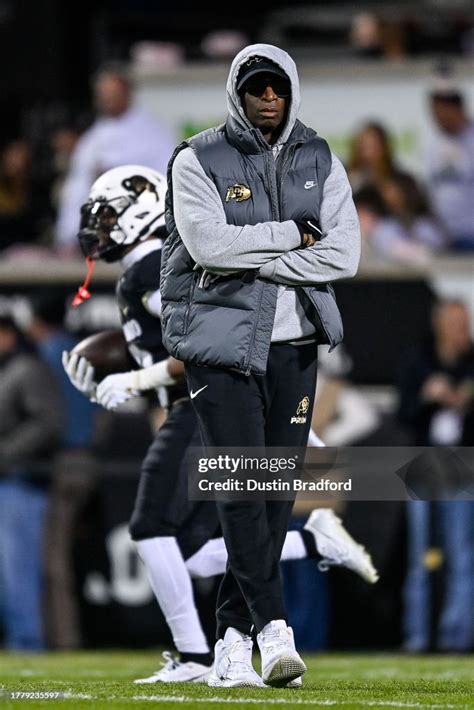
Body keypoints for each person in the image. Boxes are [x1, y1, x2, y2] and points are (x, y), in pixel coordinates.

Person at [63, 165, 375, 684]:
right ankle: (312, 543)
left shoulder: (152, 268)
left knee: (150, 526)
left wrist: (132, 382)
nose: (100, 229)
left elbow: (201, 339)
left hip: (203, 407)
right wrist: (114, 385)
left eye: (109, 215)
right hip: (200, 405)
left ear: (141, 210)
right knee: (193, 548)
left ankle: (196, 655)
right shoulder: (146, 268)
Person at [160, 43, 360, 688]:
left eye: (276, 87)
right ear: (237, 93)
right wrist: (289, 234)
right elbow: (206, 246)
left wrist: (256, 256)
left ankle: (229, 641)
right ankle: (273, 630)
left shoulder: (321, 158)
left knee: (274, 494)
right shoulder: (197, 157)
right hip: (221, 346)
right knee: (243, 485)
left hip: (295, 345)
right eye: (256, 88)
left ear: (291, 90)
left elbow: (345, 256)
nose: (267, 98)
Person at [398, 299, 474, 651]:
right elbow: (404, 413)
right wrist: (427, 396)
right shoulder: (418, 359)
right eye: (456, 323)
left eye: (465, 322)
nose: (462, 330)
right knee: (419, 557)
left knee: (460, 554)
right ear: (440, 325)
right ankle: (417, 636)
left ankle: (455, 637)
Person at [28, 292, 98, 649]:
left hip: (58, 462)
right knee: (64, 554)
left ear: (36, 322)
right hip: (90, 459)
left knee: (51, 558)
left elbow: (45, 419)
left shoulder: (43, 354)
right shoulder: (82, 349)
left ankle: (62, 640)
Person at [55, 66, 176, 256]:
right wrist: (67, 235)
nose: (106, 99)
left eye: (112, 93)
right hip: (89, 242)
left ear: (127, 93)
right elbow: (76, 188)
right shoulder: (93, 137)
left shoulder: (153, 133)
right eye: (102, 94)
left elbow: (166, 183)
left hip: (137, 240)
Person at [0, 315, 63, 650]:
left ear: (8, 334)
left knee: (17, 571)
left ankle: (26, 642)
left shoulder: (28, 368)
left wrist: (4, 454)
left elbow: (48, 422)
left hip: (20, 481)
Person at [425, 85, 474, 251]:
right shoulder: (434, 142)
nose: (438, 117)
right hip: (445, 236)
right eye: (435, 112)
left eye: (442, 111)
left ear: (457, 108)